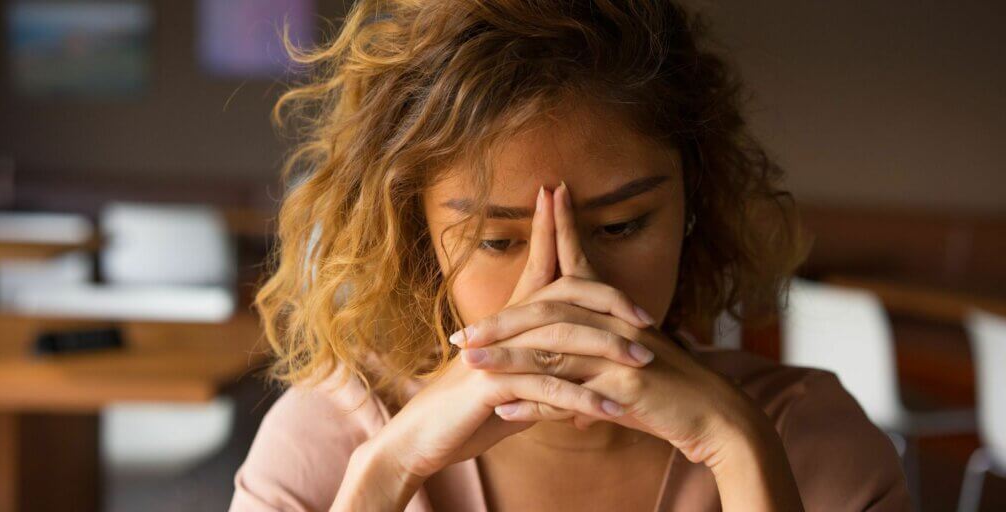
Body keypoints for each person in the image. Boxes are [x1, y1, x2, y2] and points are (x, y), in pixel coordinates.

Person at [230, 1, 909, 510]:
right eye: (497, 240)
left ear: (691, 208)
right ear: (418, 241)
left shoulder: (812, 441)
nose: (561, 288)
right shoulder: (329, 443)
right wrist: (385, 475)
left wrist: (738, 452)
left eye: (621, 226)